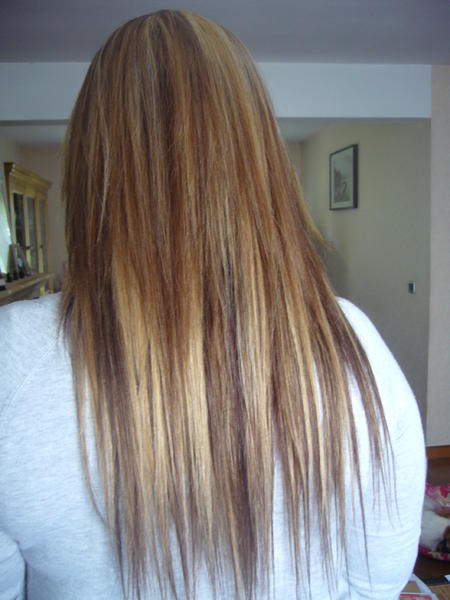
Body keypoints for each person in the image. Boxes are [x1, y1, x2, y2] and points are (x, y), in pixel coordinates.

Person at [0, 10, 425, 600]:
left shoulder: (13, 359)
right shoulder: (349, 341)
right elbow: (376, 583)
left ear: (91, 161)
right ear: (259, 156)